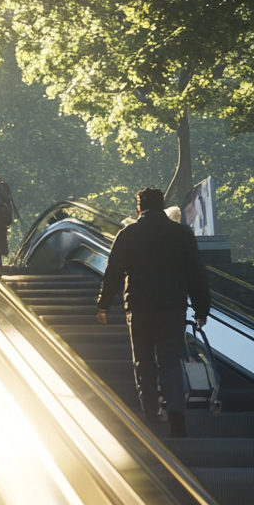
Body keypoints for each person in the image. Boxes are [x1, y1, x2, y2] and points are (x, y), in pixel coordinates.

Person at [96, 187, 211, 438]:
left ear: (139, 208)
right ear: (161, 207)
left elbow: (113, 272)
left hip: (140, 308)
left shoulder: (128, 234)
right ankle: (177, 415)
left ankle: (150, 413)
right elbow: (196, 274)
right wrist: (202, 309)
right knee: (170, 362)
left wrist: (103, 304)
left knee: (144, 362)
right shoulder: (181, 234)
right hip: (172, 307)